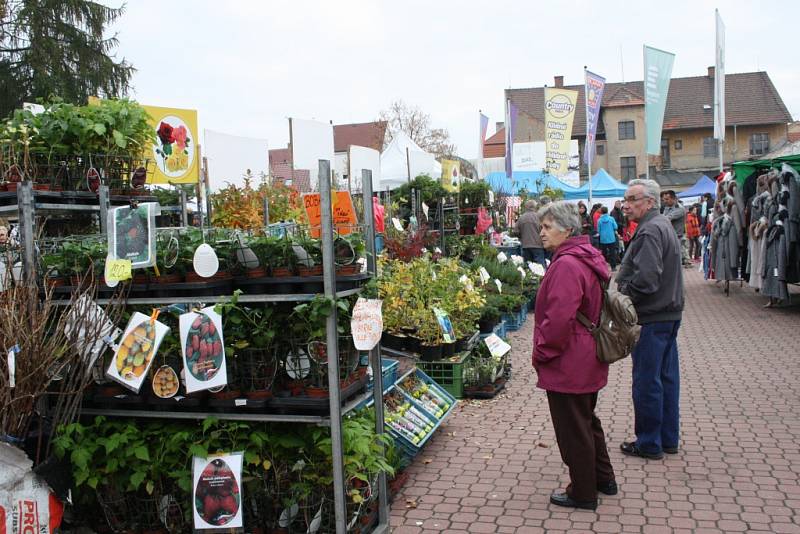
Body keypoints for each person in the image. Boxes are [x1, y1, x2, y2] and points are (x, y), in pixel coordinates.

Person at [532, 201, 616, 511]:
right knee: (585, 421)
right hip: (585, 353)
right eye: (541, 226)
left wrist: (542, 351)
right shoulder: (583, 256)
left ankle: (583, 491)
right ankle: (603, 478)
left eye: (547, 227)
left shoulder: (567, 263)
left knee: (573, 429)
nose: (542, 232)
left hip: (569, 358)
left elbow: (558, 320)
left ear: (567, 230)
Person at [615, 179, 684, 460]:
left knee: (647, 381)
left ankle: (649, 442)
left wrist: (623, 294)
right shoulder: (661, 224)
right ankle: (666, 439)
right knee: (665, 379)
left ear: (650, 202)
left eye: (632, 199)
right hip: (667, 314)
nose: (626, 205)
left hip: (652, 317)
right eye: (625, 199)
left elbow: (646, 280)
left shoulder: (650, 230)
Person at [662, 190, 690, 266]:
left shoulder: (679, 208)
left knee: (676, 263)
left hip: (677, 237)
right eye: (664, 199)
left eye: (667, 199)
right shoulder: (668, 207)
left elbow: (666, 219)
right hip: (670, 237)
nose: (664, 201)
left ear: (673, 199)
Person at [515, 199, 546, 267]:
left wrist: (521, 237)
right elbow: (545, 230)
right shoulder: (539, 217)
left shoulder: (521, 218)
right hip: (538, 245)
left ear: (526, 207)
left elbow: (516, 231)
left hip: (525, 246)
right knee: (540, 267)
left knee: (528, 266)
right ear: (535, 207)